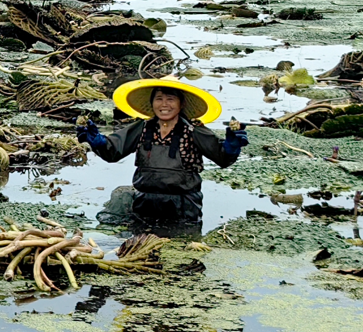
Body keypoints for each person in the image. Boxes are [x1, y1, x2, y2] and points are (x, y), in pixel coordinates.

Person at [78, 77, 247, 234]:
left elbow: (222, 157)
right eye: (159, 98)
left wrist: (232, 147)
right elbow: (113, 151)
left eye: (170, 99)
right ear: (152, 103)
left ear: (181, 104)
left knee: (181, 256)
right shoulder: (142, 128)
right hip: (144, 204)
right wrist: (98, 142)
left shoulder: (194, 130)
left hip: (183, 207)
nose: (164, 104)